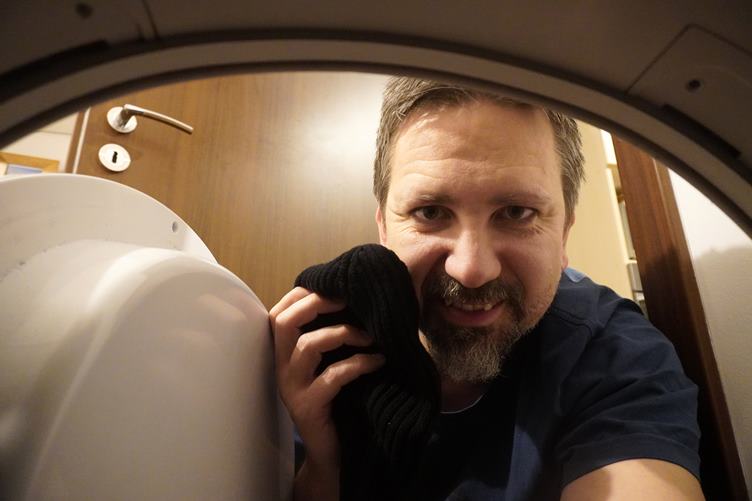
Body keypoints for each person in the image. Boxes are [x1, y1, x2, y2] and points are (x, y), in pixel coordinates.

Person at [270, 77, 704, 500]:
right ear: (384, 228)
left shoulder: (613, 356)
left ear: (564, 234)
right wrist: (328, 467)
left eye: (516, 212)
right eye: (430, 212)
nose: (471, 270)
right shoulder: (330, 352)